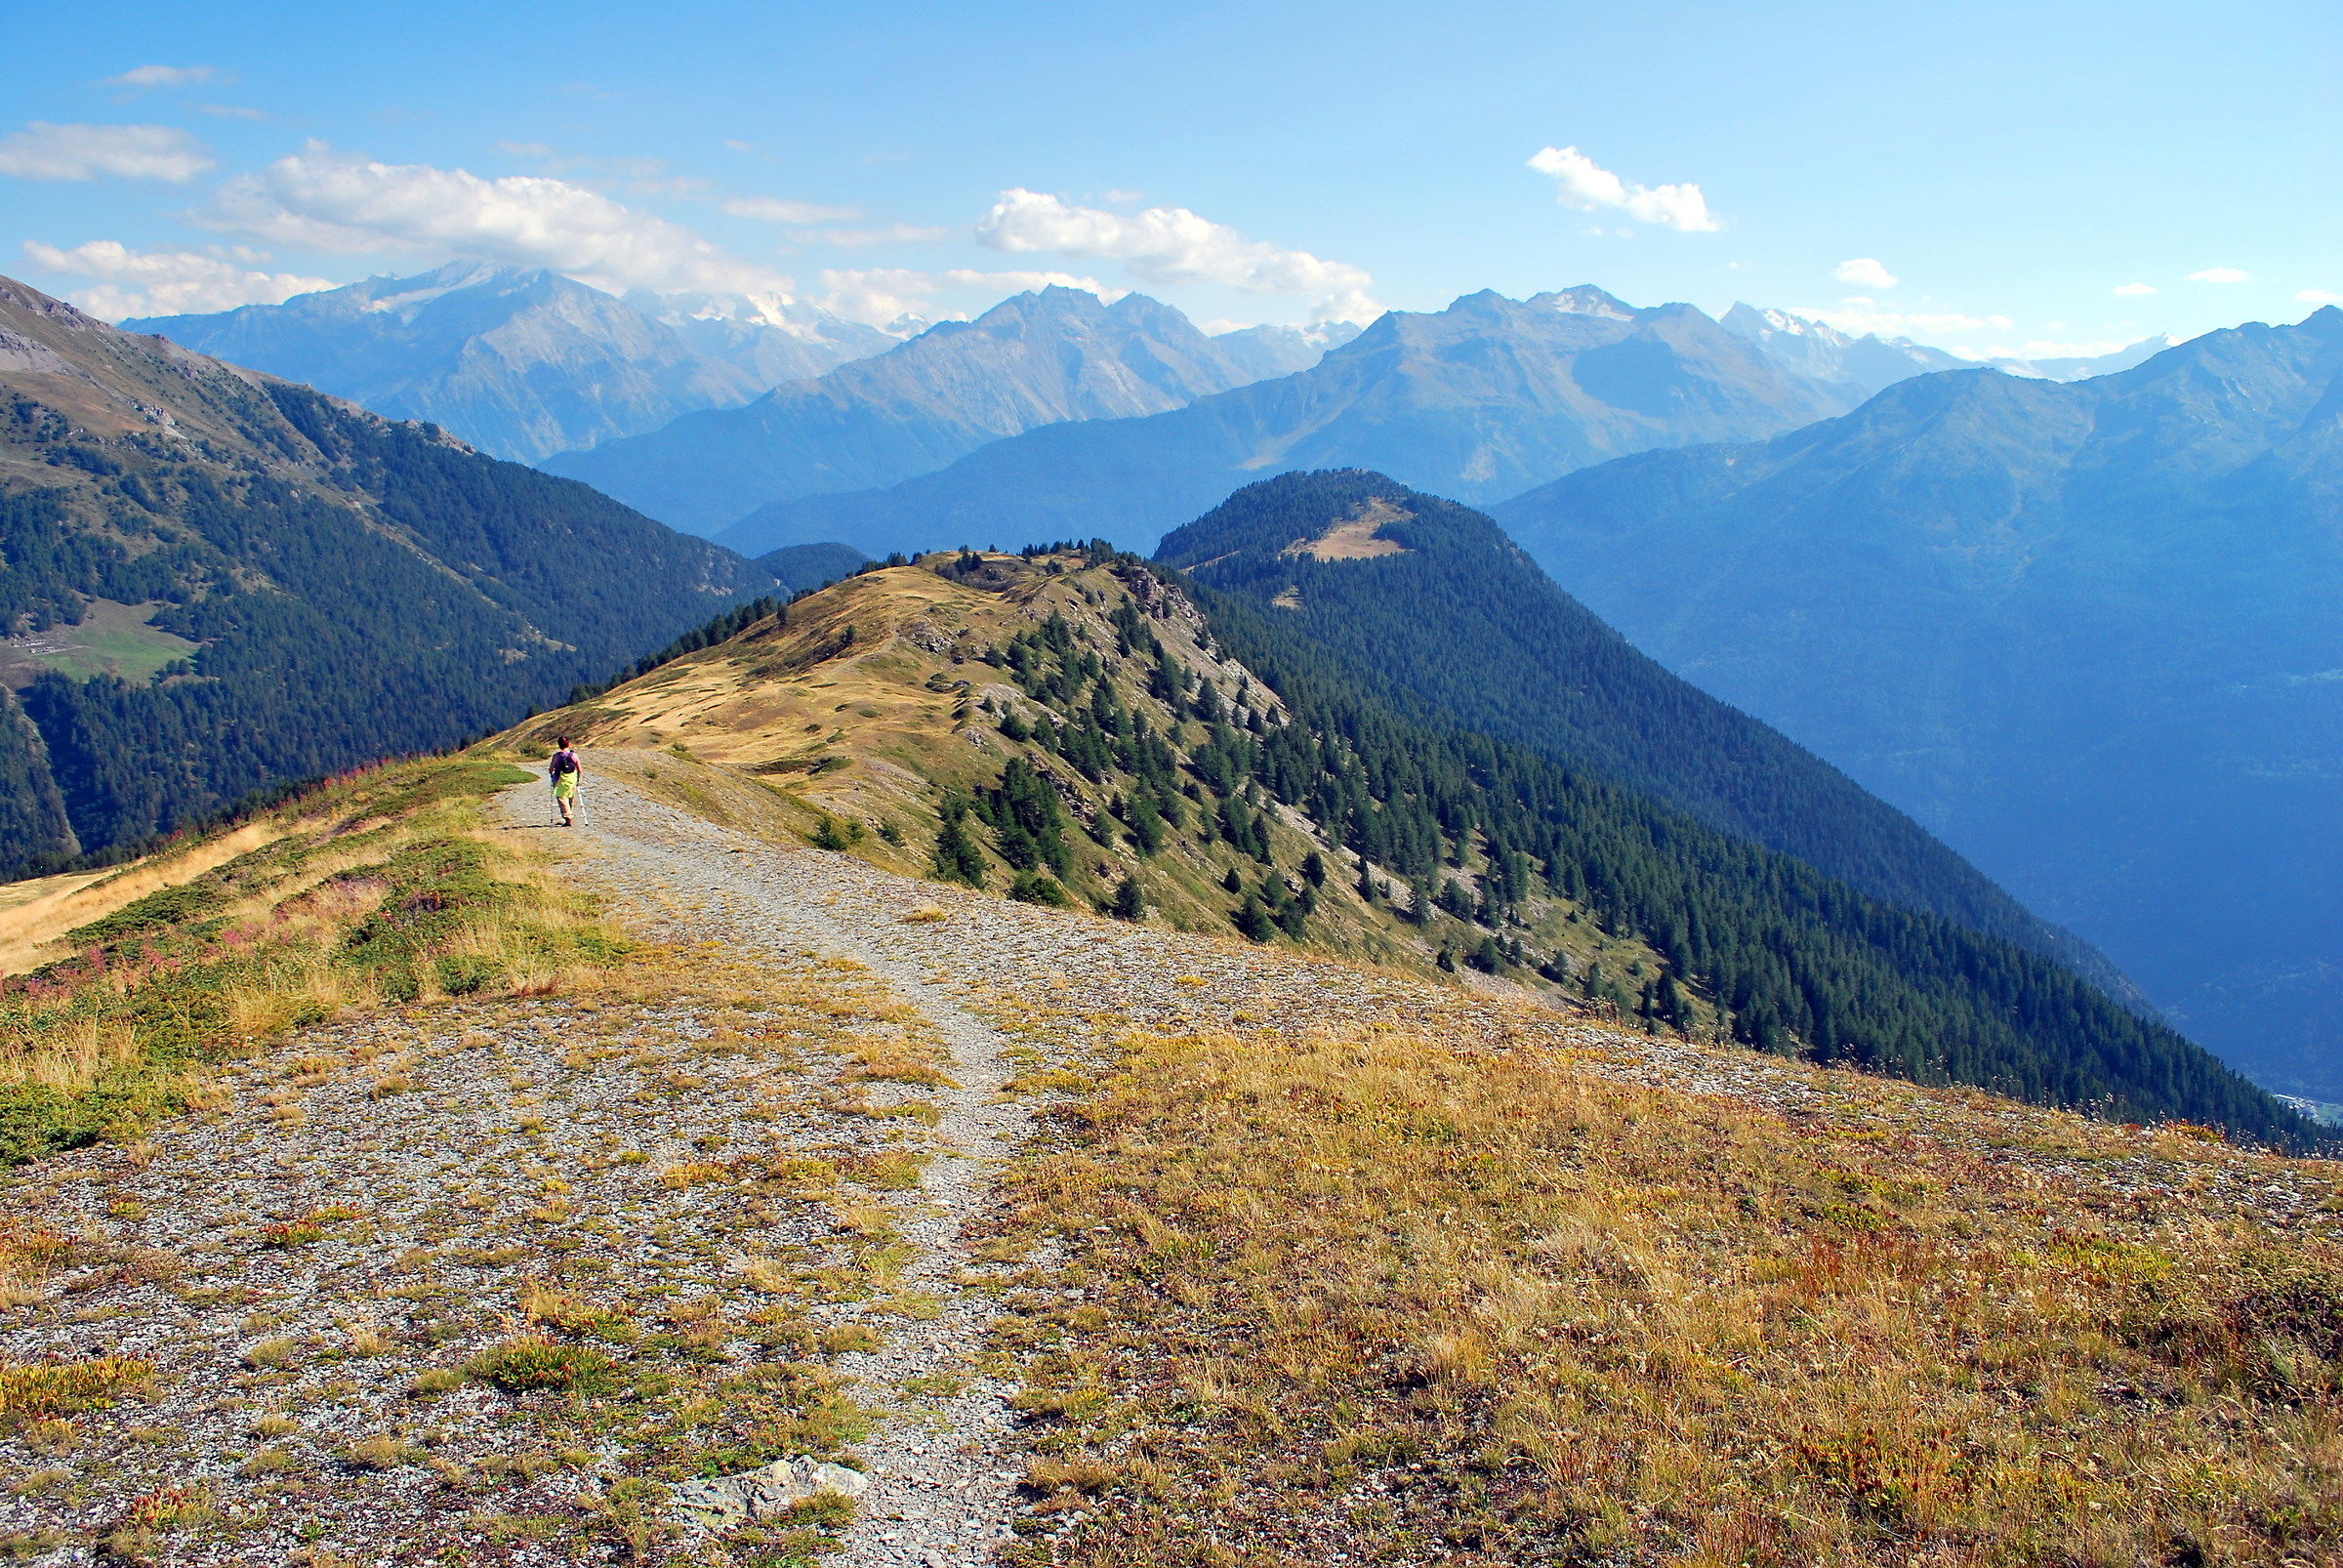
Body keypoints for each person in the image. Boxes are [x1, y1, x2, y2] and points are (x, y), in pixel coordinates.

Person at [548, 737, 582, 827]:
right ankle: (569, 814)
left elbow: (551, 769)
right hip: (572, 779)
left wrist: (552, 775)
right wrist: (578, 780)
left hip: (560, 779)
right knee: (570, 796)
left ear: (559, 745)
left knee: (561, 797)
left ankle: (568, 817)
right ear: (568, 744)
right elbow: (579, 770)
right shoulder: (574, 755)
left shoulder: (556, 756)